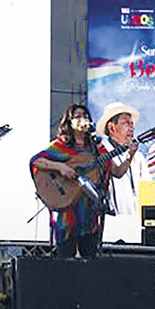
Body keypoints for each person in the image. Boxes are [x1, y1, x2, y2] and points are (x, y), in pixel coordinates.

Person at [30, 104, 116, 258]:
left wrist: (129, 154)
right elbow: (36, 160)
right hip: (67, 212)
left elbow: (117, 171)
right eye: (77, 116)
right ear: (69, 122)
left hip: (90, 214)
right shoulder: (61, 145)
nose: (82, 119)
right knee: (65, 259)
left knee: (90, 259)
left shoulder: (97, 147)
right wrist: (60, 167)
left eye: (85, 116)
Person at [96, 102, 149, 244]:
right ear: (111, 127)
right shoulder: (102, 150)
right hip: (112, 223)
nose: (131, 127)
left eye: (132, 124)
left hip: (137, 223)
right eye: (126, 123)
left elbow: (147, 187)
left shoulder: (138, 157)